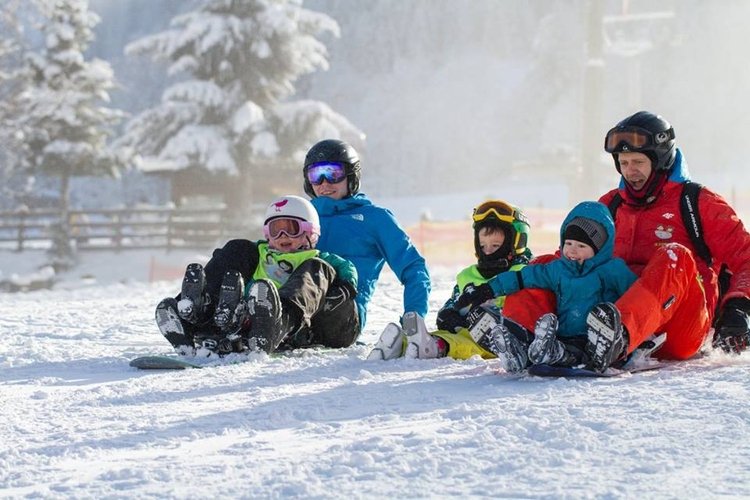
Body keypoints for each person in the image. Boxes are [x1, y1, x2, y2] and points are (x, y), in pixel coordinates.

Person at [579, 111, 750, 371]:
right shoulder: (610, 206)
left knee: (675, 256)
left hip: (680, 330)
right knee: (552, 261)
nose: (630, 171)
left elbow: (746, 256)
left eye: (637, 162)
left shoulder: (698, 202)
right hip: (610, 313)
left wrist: (738, 307)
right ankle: (523, 331)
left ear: (660, 161)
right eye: (623, 163)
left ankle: (616, 338)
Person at [154, 195, 360, 356]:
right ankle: (197, 313)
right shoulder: (261, 252)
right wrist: (227, 258)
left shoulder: (318, 258)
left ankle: (280, 323)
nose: (283, 236)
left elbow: (348, 269)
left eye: (291, 229)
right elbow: (230, 258)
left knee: (317, 267)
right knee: (238, 247)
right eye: (276, 229)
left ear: (310, 232)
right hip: (256, 324)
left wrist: (344, 287)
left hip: (320, 326)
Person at [454, 201, 637, 372]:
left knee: (596, 327)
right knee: (559, 346)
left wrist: (642, 337)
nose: (572, 250)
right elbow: (523, 277)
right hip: (565, 334)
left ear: (599, 249)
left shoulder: (613, 270)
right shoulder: (558, 269)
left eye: (581, 246)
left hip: (596, 337)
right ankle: (518, 351)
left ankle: (572, 353)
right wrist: (488, 289)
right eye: (568, 243)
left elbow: (636, 298)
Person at [367, 199, 552, 361]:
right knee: (448, 335)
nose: (488, 250)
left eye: (495, 245)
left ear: (517, 242)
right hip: (466, 329)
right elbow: (454, 301)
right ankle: (401, 343)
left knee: (465, 345)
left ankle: (433, 347)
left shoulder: (524, 272)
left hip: (501, 338)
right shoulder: (468, 275)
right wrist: (449, 313)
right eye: (482, 245)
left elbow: (531, 309)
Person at [302, 139, 431, 331]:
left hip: (342, 314)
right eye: (316, 175)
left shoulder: (375, 219)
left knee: (319, 270)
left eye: (333, 173)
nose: (324, 182)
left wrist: (414, 315)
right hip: (298, 306)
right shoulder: (302, 215)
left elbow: (413, 267)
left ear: (351, 175)